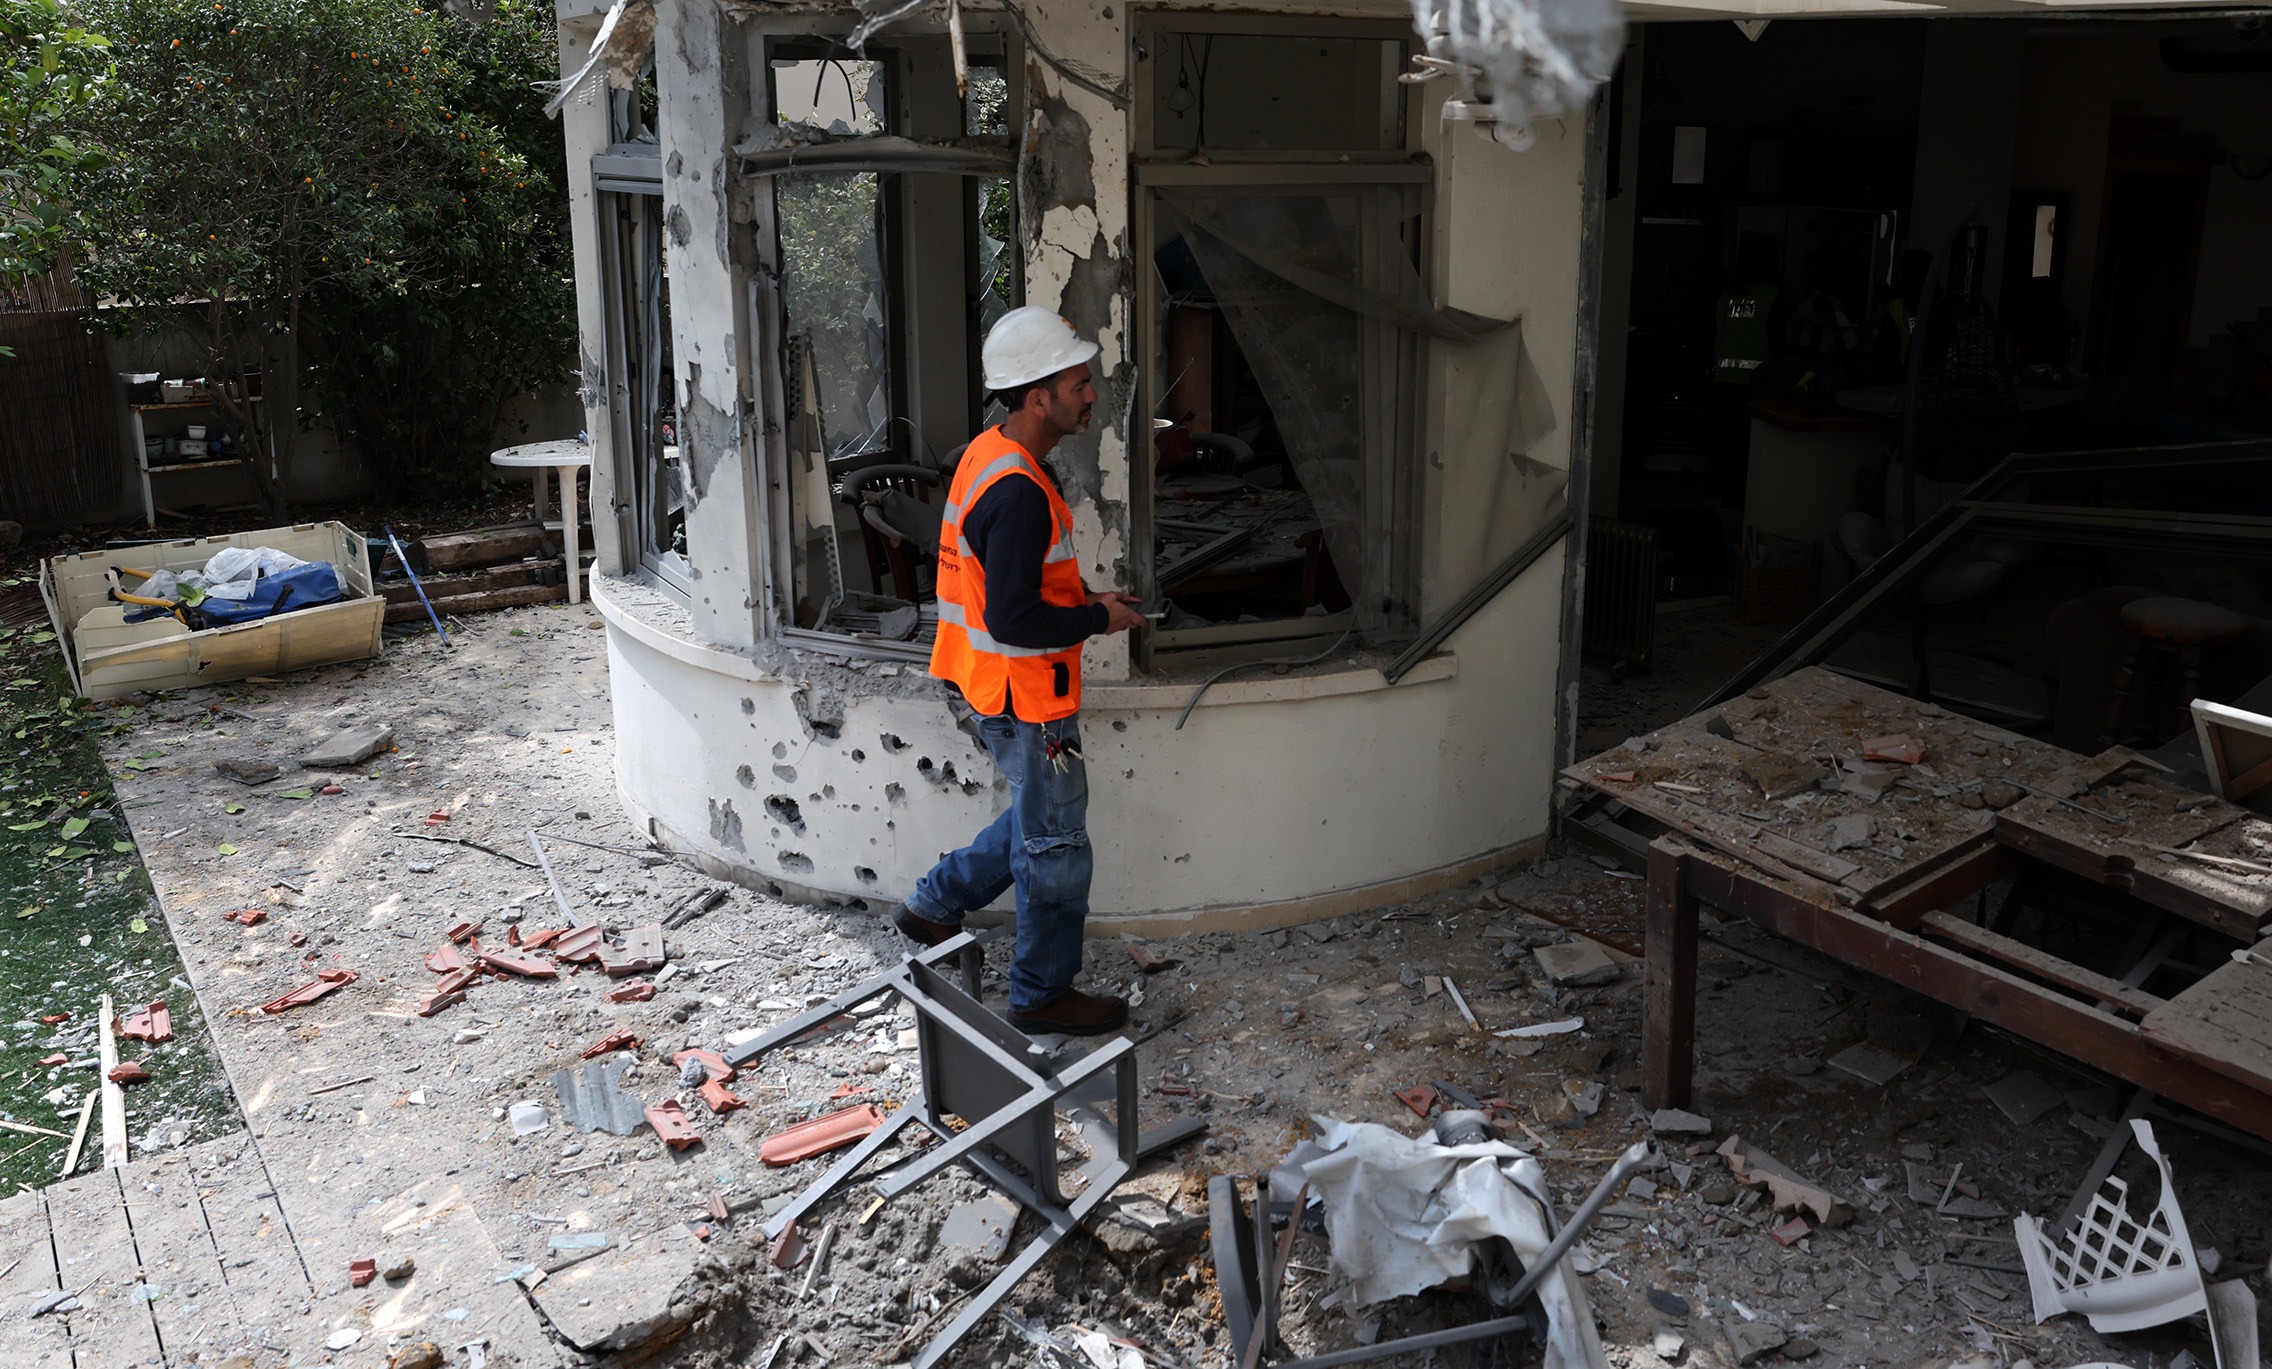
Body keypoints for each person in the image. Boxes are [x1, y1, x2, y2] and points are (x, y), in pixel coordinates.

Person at [891, 307, 1146, 1036]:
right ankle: (1040, 994)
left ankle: (933, 903)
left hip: (990, 683)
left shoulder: (988, 453)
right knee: (1057, 845)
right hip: (1025, 695)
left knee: (1042, 819)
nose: (1090, 392)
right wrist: (1103, 618)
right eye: (1077, 382)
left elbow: (1014, 595)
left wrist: (1088, 600)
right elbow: (1014, 620)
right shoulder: (1019, 494)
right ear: (1037, 397)